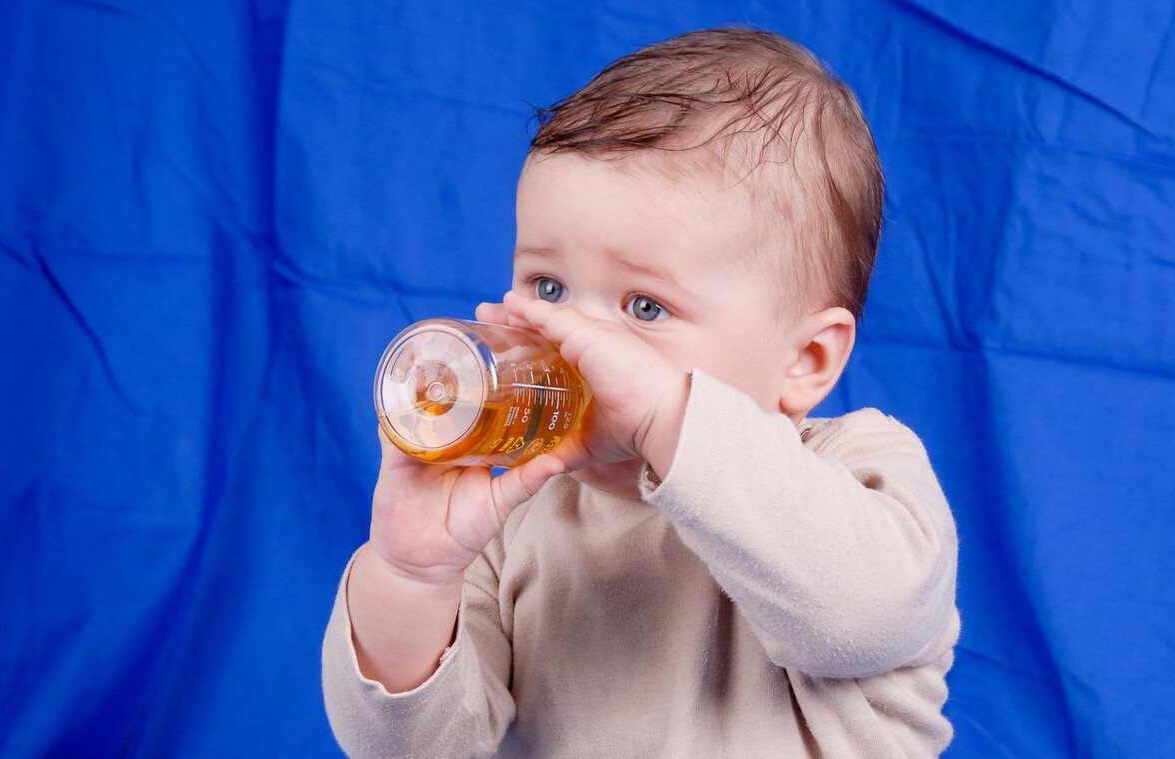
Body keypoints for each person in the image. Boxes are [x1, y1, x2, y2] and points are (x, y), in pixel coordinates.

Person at [322, 27, 959, 758]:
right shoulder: (514, 517)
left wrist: (667, 415)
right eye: (549, 286)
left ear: (805, 360)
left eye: (645, 307)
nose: (575, 337)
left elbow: (864, 614)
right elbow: (414, 749)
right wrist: (410, 575)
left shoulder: (863, 471)